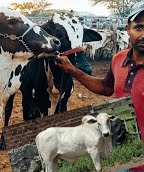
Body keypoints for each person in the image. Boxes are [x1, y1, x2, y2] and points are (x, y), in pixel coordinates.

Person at [55, 2, 144, 144]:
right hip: (122, 151)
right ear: (128, 29)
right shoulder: (118, 59)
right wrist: (73, 70)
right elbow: (106, 87)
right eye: (139, 27)